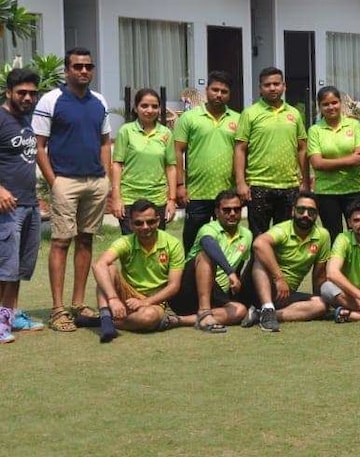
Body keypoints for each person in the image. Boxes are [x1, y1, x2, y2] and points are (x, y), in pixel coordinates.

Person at [32, 47, 112, 332]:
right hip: (65, 180)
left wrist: (105, 178)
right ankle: (57, 309)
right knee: (60, 242)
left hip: (95, 181)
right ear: (67, 70)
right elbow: (39, 146)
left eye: (88, 66)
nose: (84, 71)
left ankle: (78, 304)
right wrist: (53, 182)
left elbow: (105, 141)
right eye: (77, 66)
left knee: (86, 239)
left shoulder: (99, 100)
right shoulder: (51, 99)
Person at [90, 200, 185, 343]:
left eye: (150, 222)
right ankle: (106, 316)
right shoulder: (126, 242)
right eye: (139, 223)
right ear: (130, 224)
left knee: (149, 317)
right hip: (127, 295)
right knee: (107, 268)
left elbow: (174, 286)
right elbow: (98, 265)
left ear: (158, 221)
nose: (145, 227)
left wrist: (146, 302)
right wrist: (113, 299)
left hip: (155, 300)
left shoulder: (173, 244)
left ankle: (104, 322)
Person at [241, 192, 331, 332]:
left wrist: (318, 301)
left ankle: (261, 315)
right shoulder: (282, 230)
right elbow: (259, 243)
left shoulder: (322, 236)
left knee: (321, 304)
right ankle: (267, 307)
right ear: (293, 211)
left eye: (311, 211)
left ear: (317, 214)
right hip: (258, 286)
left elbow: (319, 274)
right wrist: (279, 278)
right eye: (301, 210)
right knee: (260, 255)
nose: (305, 215)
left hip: (284, 294)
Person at [234, 67, 308, 236]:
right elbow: (240, 149)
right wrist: (241, 183)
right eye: (267, 85)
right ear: (260, 88)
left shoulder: (294, 114)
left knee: (286, 236)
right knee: (259, 237)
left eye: (276, 84)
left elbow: (302, 148)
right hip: (259, 185)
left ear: (284, 86)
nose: (272, 88)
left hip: (289, 185)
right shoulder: (250, 113)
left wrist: (305, 181)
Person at [174, 70, 240, 253]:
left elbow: (242, 153)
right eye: (215, 90)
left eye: (224, 91)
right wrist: (179, 185)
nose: (219, 94)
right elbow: (177, 151)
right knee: (193, 245)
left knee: (227, 245)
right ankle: (191, 273)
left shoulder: (238, 119)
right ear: (207, 90)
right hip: (197, 193)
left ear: (229, 94)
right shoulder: (189, 118)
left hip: (227, 194)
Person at [168, 190, 251, 332]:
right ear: (217, 212)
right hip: (187, 290)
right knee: (206, 256)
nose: (232, 213)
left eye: (236, 209)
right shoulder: (208, 229)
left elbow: (240, 264)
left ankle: (180, 320)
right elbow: (208, 243)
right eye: (226, 210)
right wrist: (230, 272)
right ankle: (205, 311)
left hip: (216, 293)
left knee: (240, 310)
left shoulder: (247, 235)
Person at [0, 68, 43, 340]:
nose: (28, 98)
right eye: (22, 93)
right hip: (7, 207)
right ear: (8, 92)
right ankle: (1, 323)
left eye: (32, 93)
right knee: (4, 268)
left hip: (28, 204)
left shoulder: (26, 118)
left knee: (17, 268)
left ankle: (10, 315)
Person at [110, 88, 177, 234]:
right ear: (136, 108)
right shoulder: (126, 131)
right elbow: (117, 164)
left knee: (155, 243)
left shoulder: (166, 133)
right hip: (129, 198)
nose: (149, 110)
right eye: (144, 106)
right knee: (130, 243)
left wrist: (172, 200)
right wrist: (116, 197)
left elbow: (171, 167)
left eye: (154, 106)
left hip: (157, 198)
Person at [308, 85, 360, 234]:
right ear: (319, 107)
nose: (331, 107)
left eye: (334, 102)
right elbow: (317, 163)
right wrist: (349, 161)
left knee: (359, 233)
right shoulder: (315, 130)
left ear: (341, 103)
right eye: (325, 104)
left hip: (353, 189)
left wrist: (329, 163)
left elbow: (359, 157)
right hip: (326, 192)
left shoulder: (353, 125)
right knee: (334, 236)